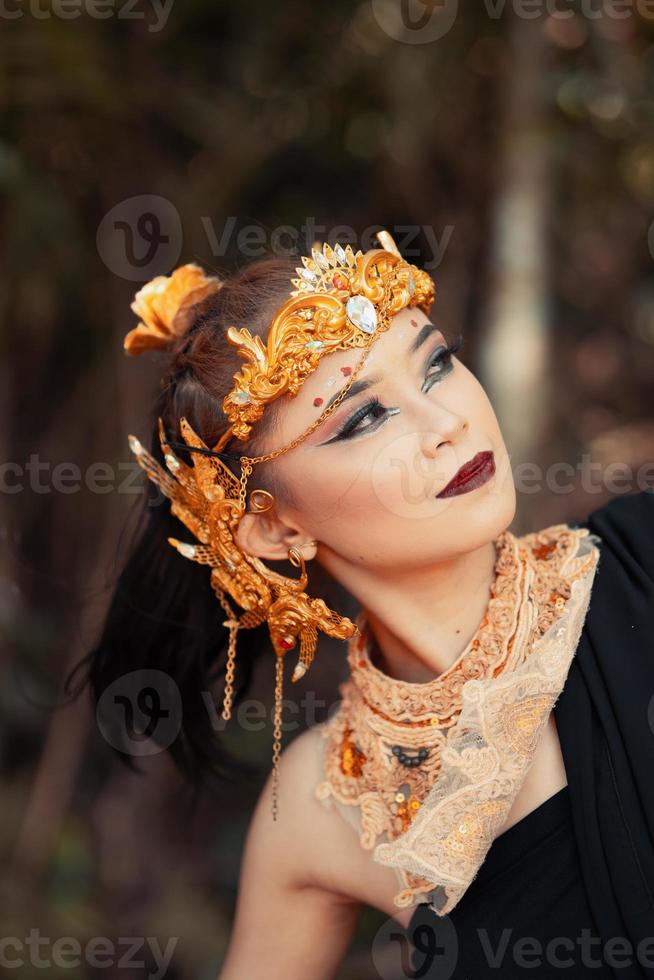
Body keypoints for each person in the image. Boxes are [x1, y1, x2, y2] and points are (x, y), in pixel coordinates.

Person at [69, 232, 654, 980]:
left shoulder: (642, 557)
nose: (446, 423)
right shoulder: (326, 804)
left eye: (436, 364)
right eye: (365, 419)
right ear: (277, 527)